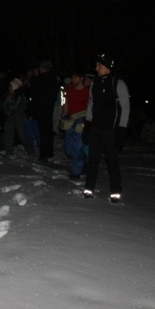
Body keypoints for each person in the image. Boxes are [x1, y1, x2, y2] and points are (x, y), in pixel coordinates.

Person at [82, 54, 130, 203]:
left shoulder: (117, 83)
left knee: (112, 161)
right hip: (96, 127)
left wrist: (121, 129)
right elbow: (91, 103)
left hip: (111, 129)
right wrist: (87, 124)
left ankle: (115, 192)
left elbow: (125, 107)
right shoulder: (95, 83)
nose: (96, 68)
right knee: (93, 159)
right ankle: (88, 189)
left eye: (99, 65)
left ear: (108, 67)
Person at [60, 71, 89, 180]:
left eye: (75, 77)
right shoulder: (70, 89)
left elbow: (89, 107)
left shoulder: (87, 91)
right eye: (72, 77)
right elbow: (66, 103)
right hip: (70, 120)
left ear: (81, 78)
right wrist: (64, 116)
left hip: (81, 120)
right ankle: (85, 161)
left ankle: (76, 173)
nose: (73, 79)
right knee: (68, 149)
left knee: (77, 147)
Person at [30, 60, 60, 162]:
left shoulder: (42, 78)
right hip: (49, 107)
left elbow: (34, 89)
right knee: (47, 130)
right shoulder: (53, 79)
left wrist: (34, 78)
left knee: (43, 131)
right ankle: (49, 152)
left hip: (42, 107)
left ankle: (44, 154)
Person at [3, 78, 34, 156]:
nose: (9, 88)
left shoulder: (20, 97)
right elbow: (4, 105)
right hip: (11, 118)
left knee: (22, 135)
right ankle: (9, 152)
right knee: (8, 135)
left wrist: (8, 107)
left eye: (11, 87)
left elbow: (15, 107)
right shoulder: (9, 96)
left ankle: (29, 150)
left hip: (19, 118)